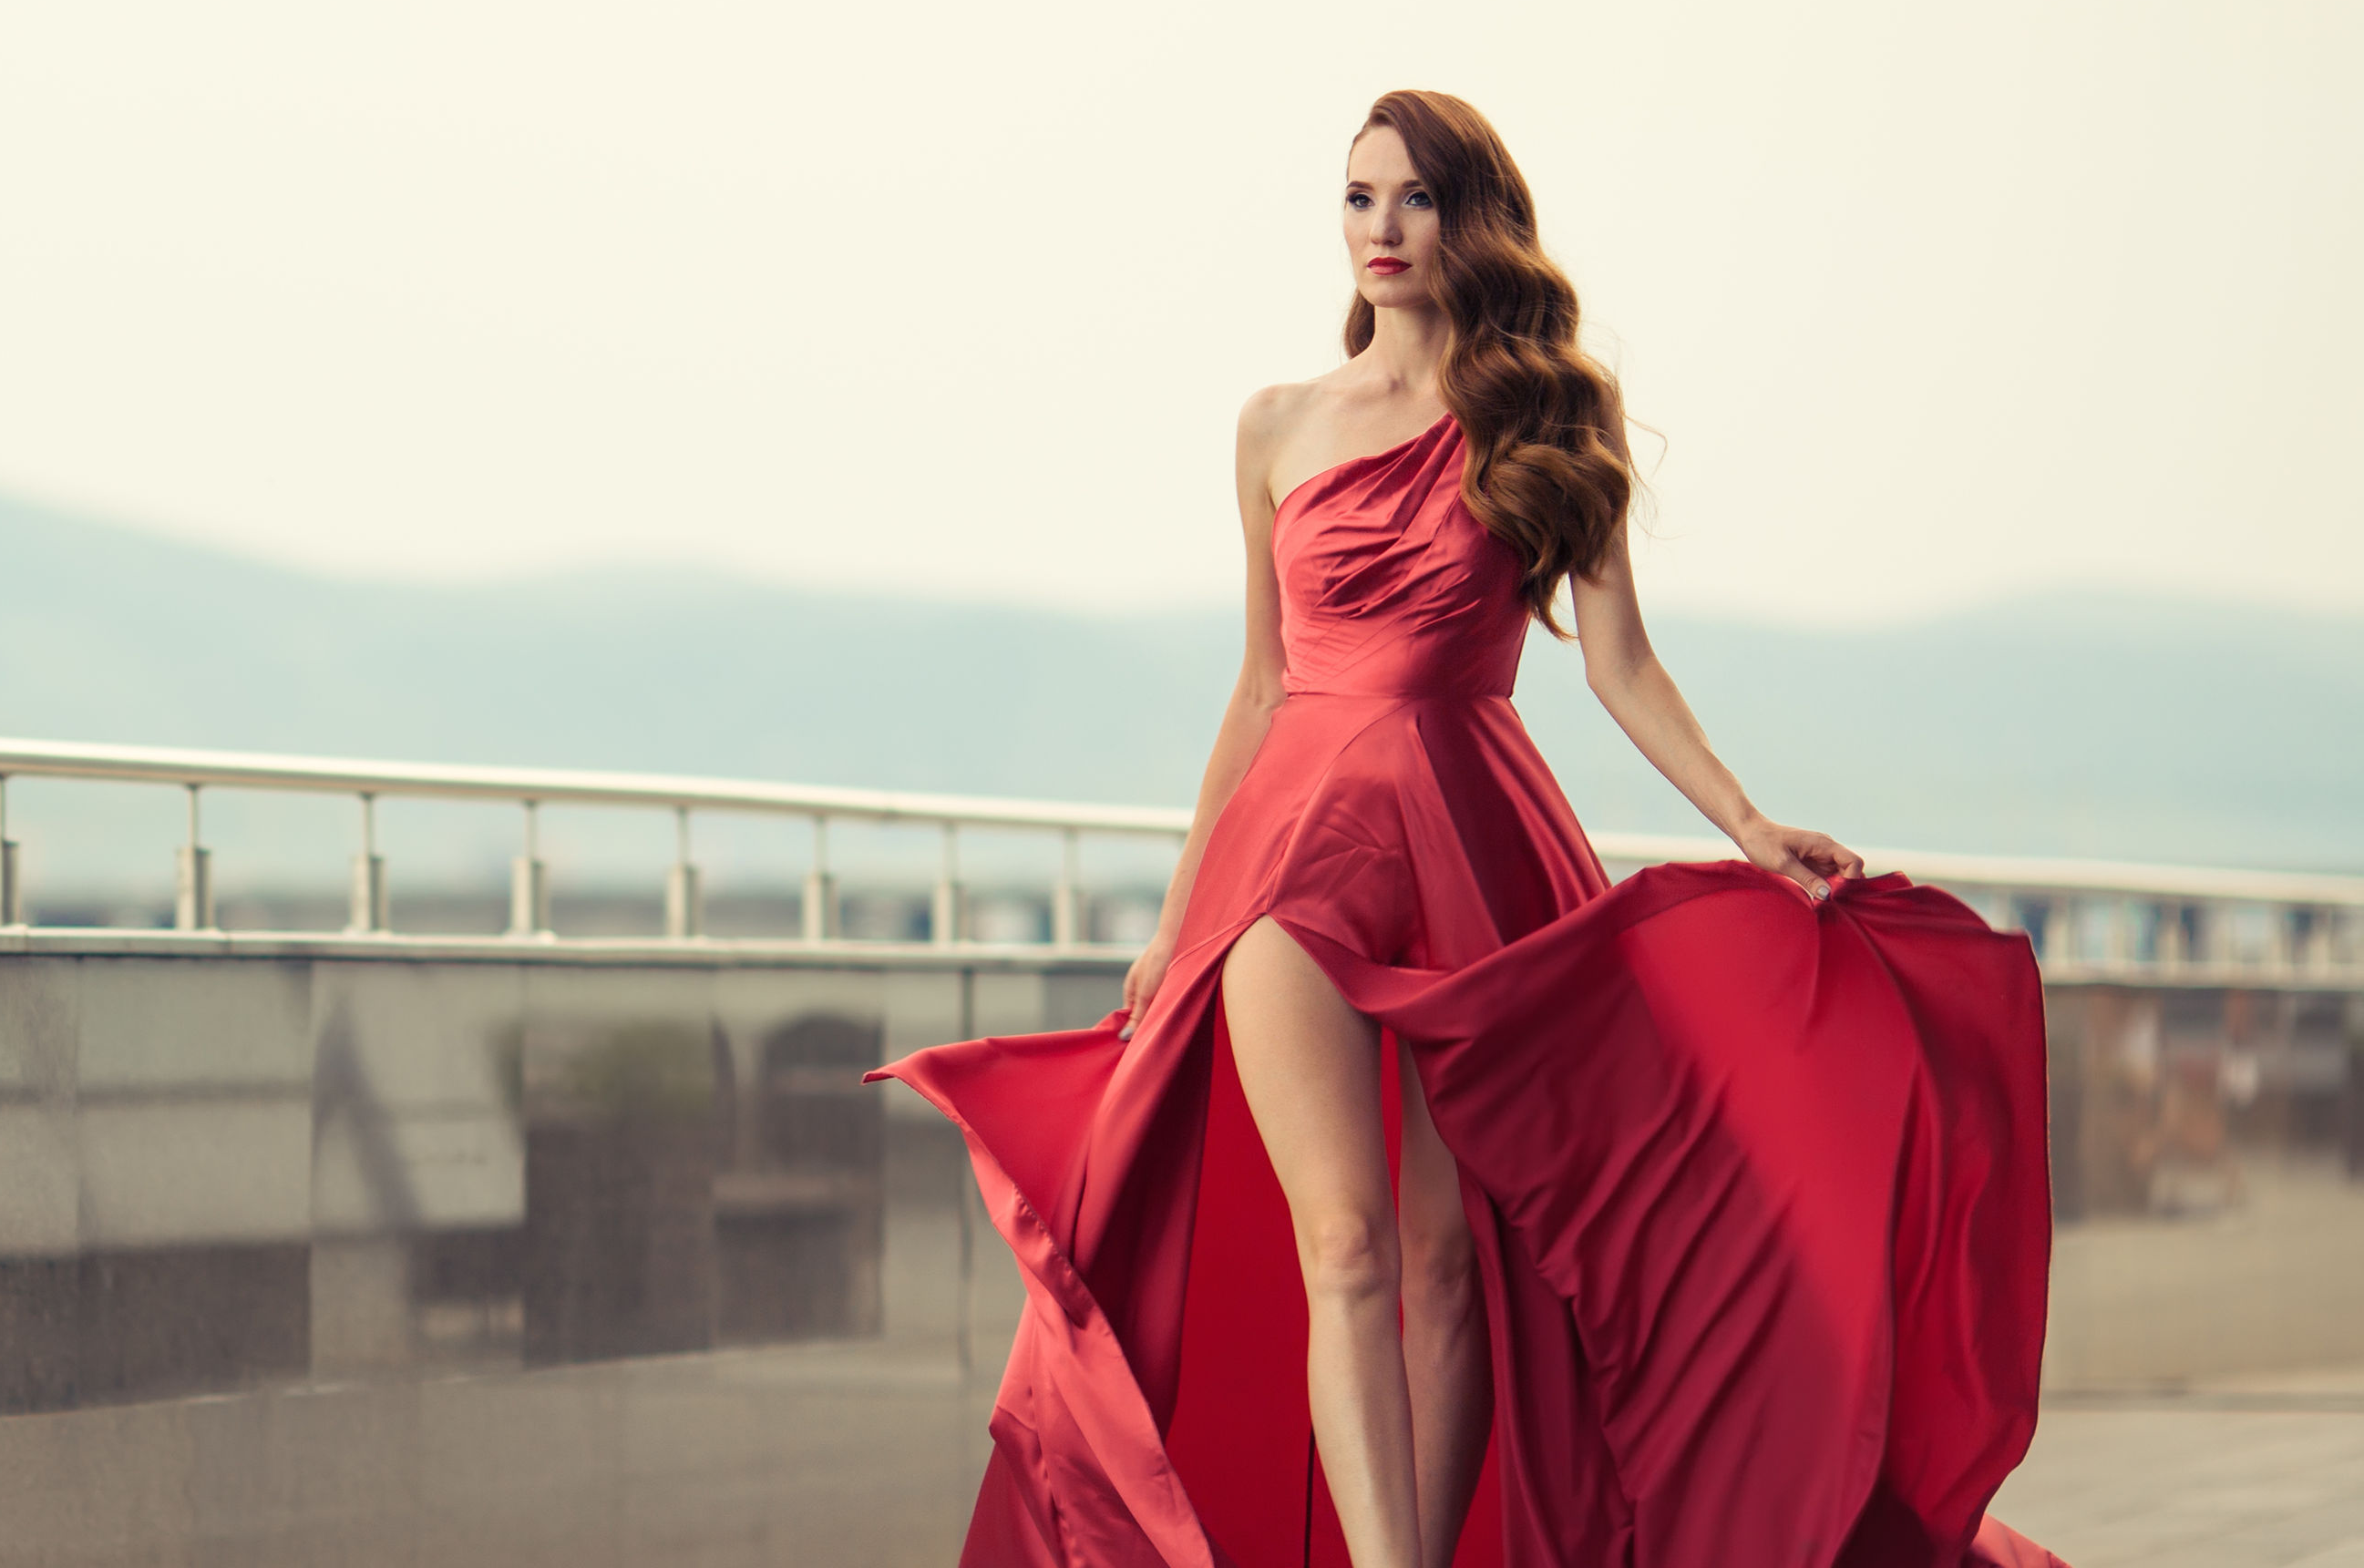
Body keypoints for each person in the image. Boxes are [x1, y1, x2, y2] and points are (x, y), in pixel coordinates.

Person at [874, 92, 2062, 1567]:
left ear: (1471, 216)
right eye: (1358, 199)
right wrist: (1180, 921)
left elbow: (1621, 662)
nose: (1381, 229)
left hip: (1471, 840)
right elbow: (1258, 688)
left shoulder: (1550, 416)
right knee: (1348, 1249)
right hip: (1288, 860)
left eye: (1414, 200)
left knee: (1451, 1259)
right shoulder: (1273, 425)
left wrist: (1748, 823)